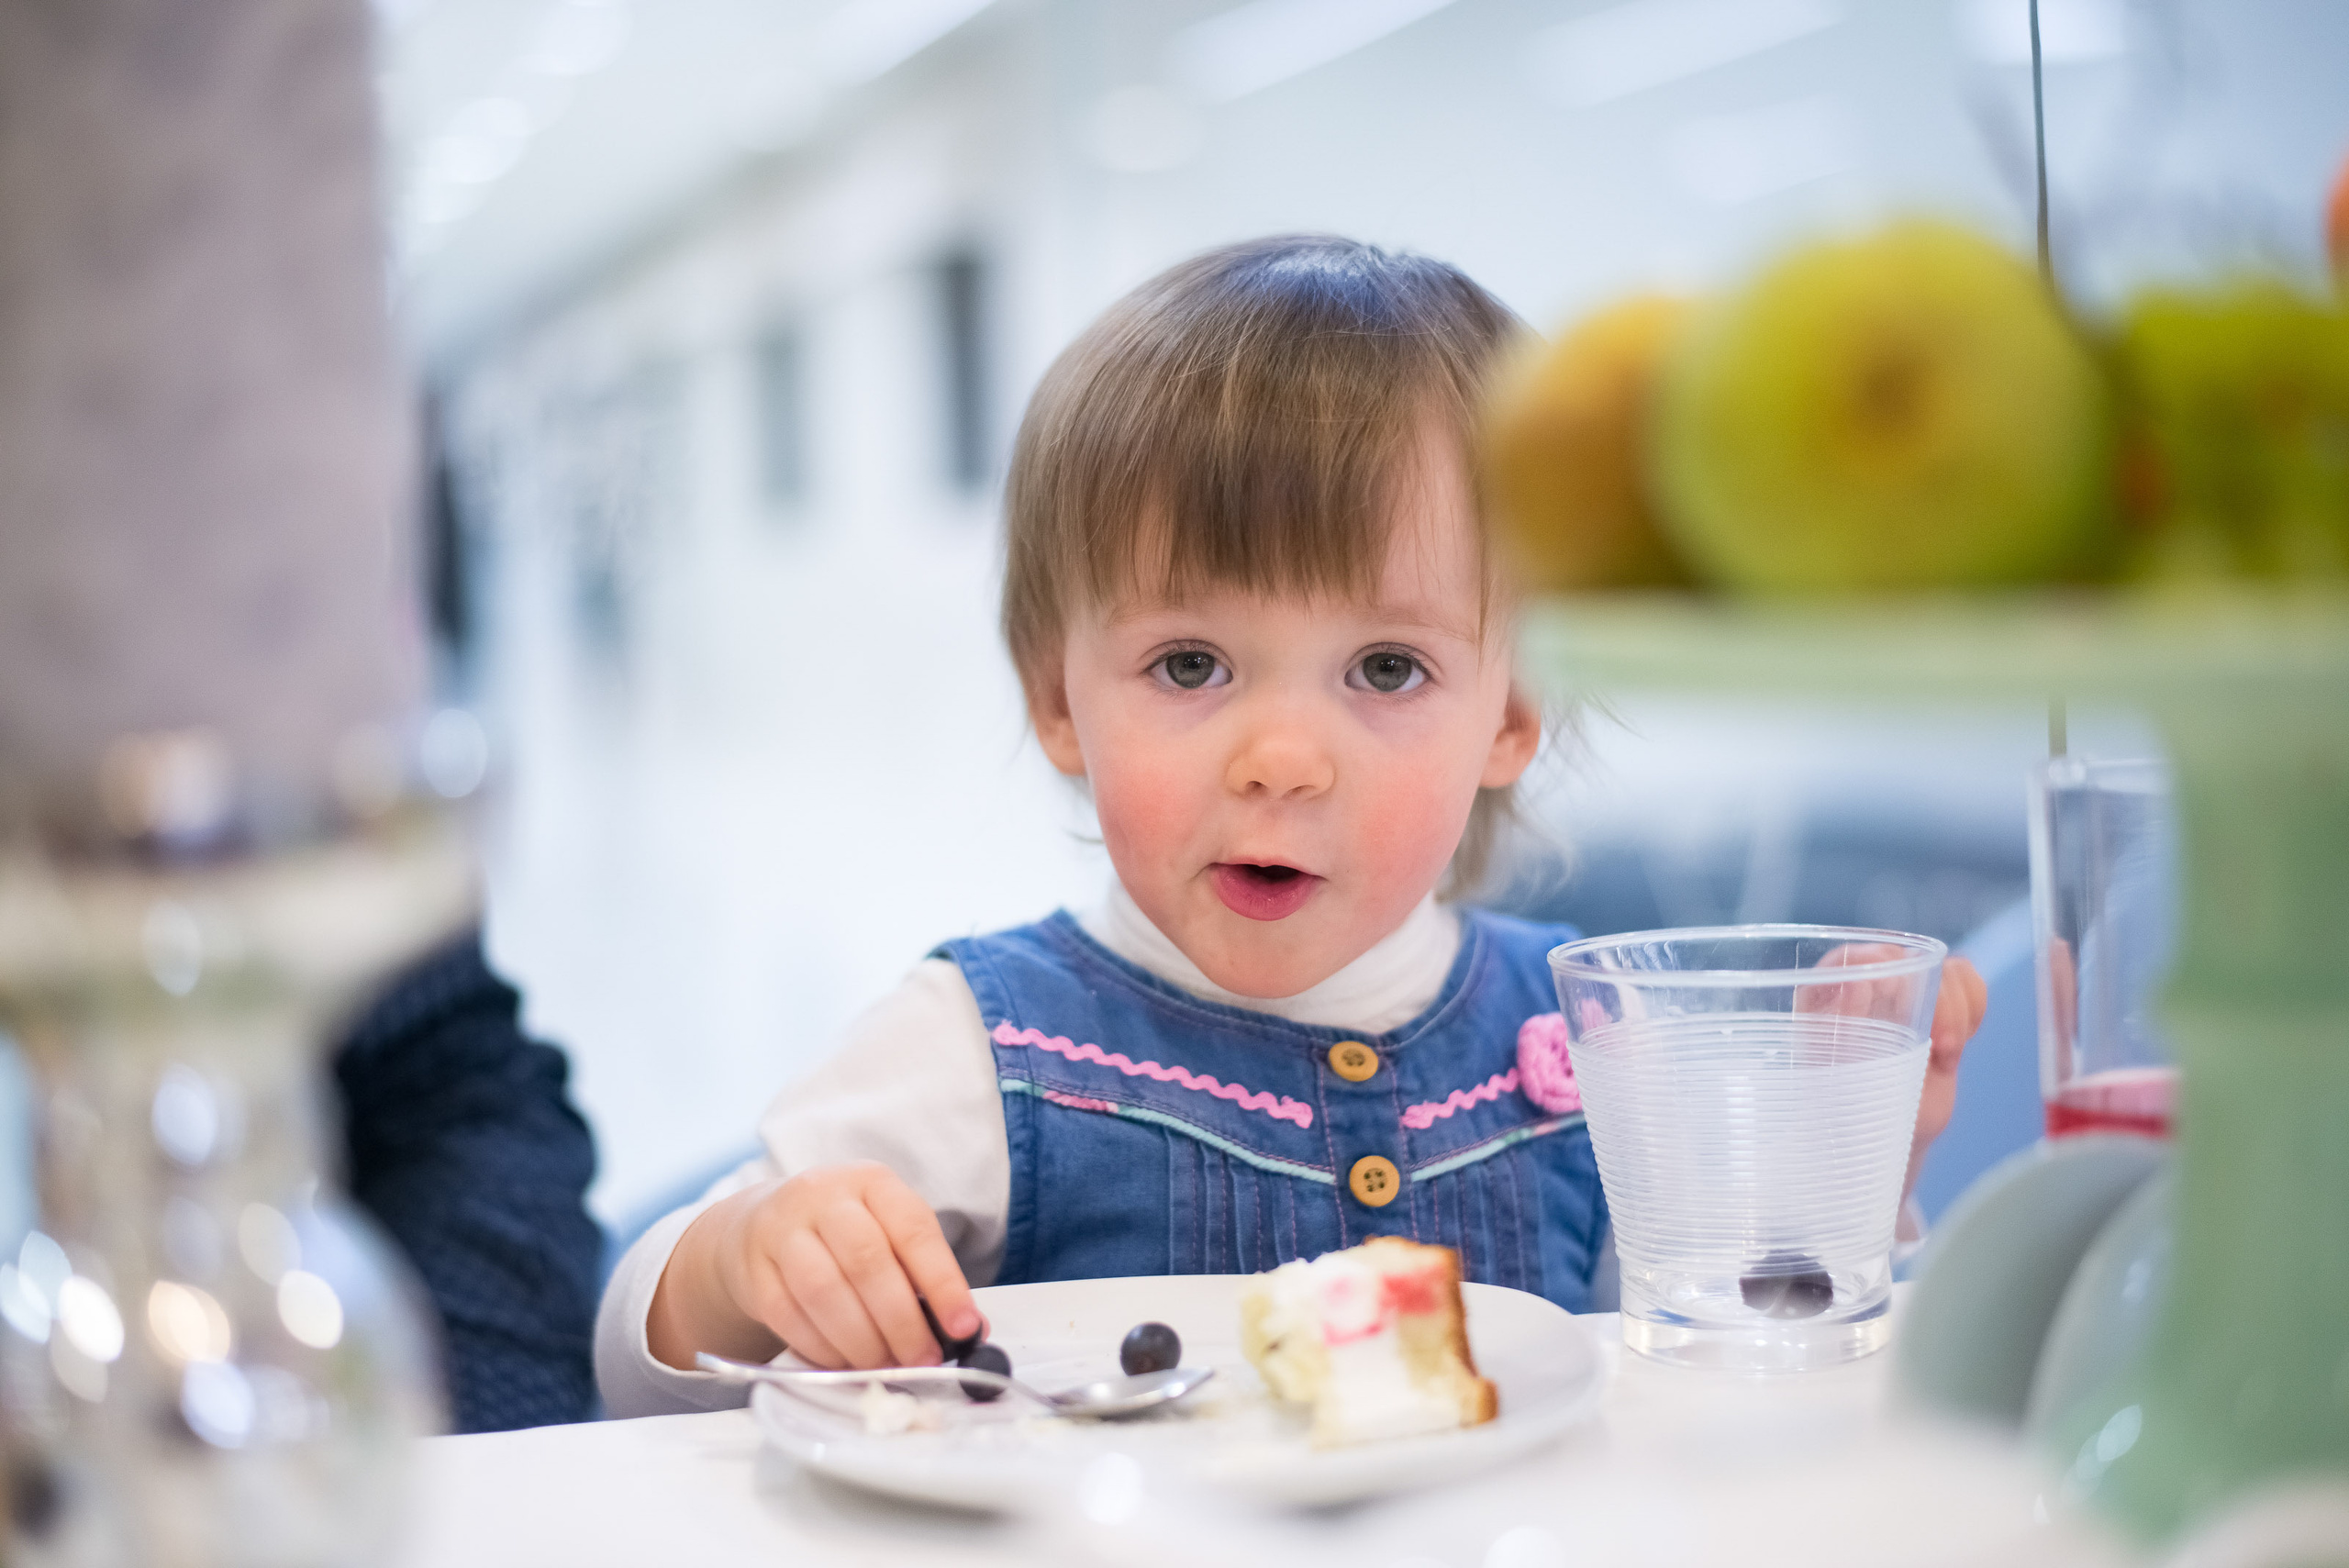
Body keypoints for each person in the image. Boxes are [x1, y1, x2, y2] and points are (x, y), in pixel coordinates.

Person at [595, 236, 1987, 1417]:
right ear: (1059, 703)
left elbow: (1694, 1372)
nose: (1278, 758)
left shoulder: (1582, 1042)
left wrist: (1837, 1190)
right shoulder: (986, 1047)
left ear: (1514, 713)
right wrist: (742, 1260)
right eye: (1190, 664)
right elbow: (635, 1378)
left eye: (1387, 669)